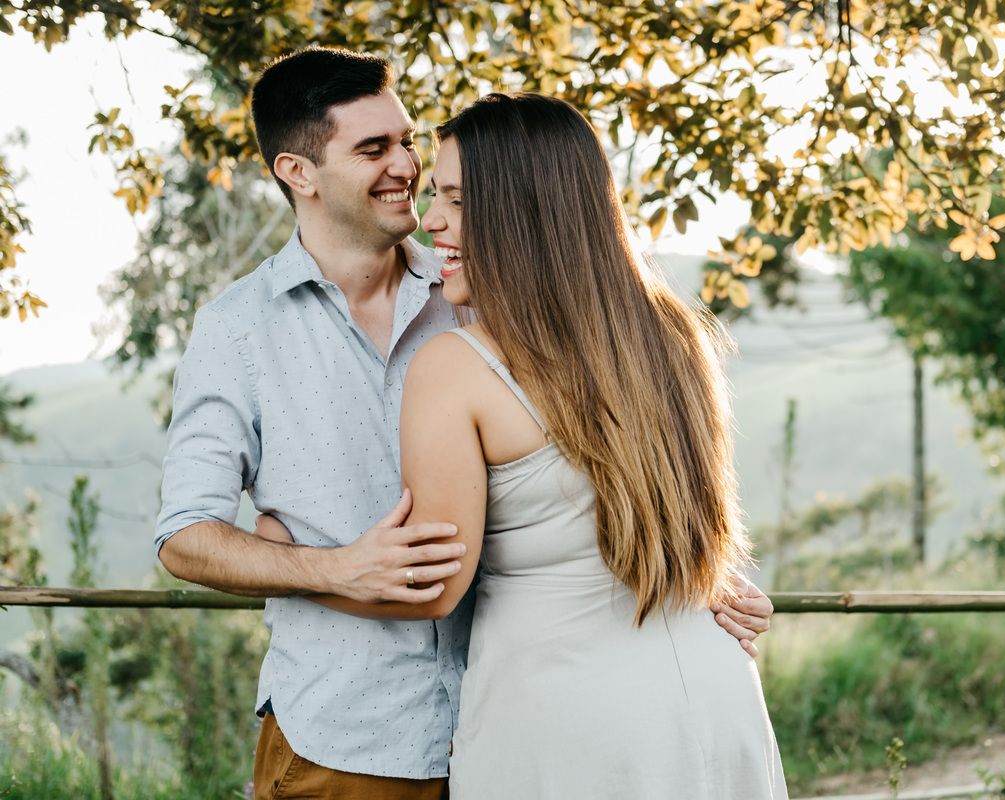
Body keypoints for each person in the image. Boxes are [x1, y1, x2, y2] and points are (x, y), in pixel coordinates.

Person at [154, 46, 773, 800]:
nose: (405, 168)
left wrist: (703, 578)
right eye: (373, 148)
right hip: (354, 737)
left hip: (519, 715)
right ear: (299, 173)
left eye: (408, 141)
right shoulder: (237, 332)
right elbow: (185, 533)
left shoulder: (485, 291)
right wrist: (325, 568)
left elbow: (615, 466)